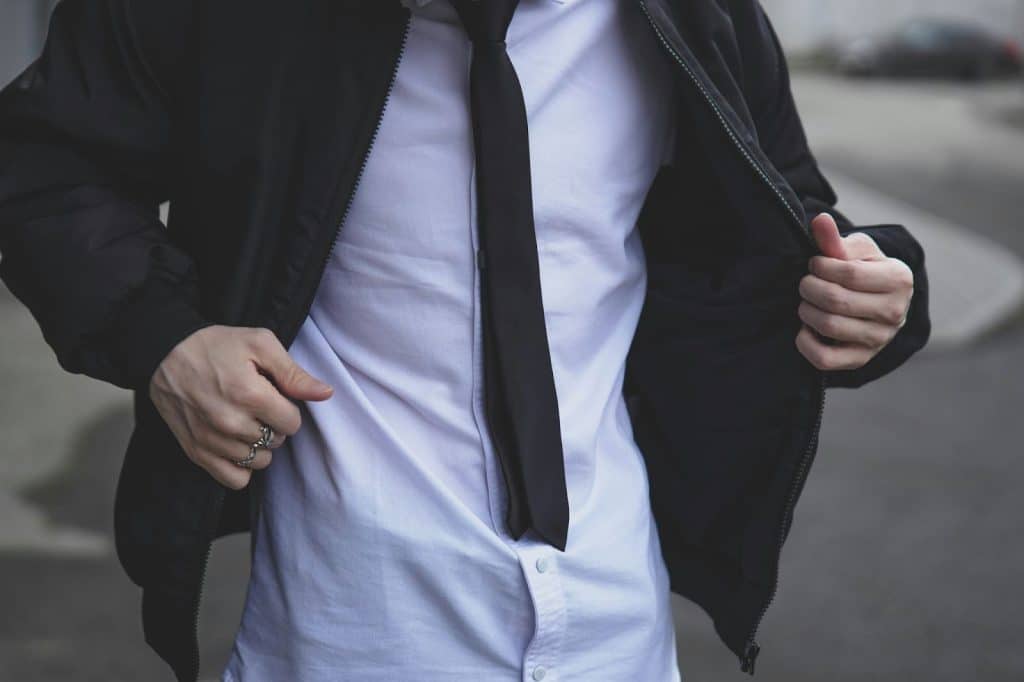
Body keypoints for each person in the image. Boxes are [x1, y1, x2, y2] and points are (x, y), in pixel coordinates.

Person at [0, 0, 929, 680]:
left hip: (618, 629)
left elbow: (789, 221)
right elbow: (38, 164)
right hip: (345, 637)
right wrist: (165, 338)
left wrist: (879, 292)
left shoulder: (696, 15)